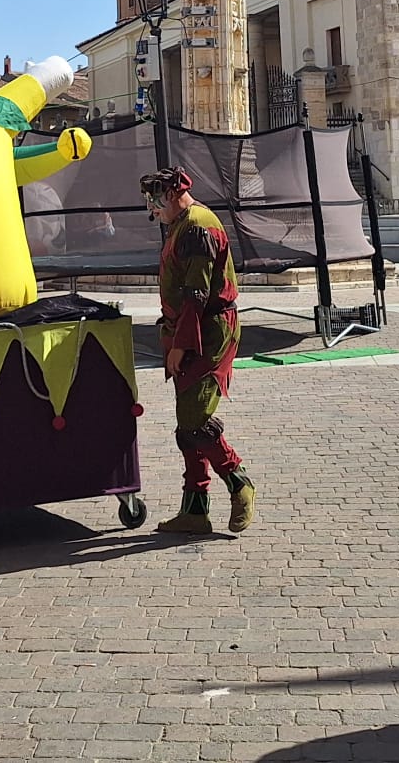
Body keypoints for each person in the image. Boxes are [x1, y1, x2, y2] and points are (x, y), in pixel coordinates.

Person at [141, 167, 255, 536]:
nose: (153, 209)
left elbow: (196, 294)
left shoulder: (197, 226)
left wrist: (181, 345)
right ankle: (194, 509)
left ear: (172, 195)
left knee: (195, 421)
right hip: (190, 330)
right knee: (186, 425)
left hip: (208, 332)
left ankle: (239, 483)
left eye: (156, 201)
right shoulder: (181, 223)